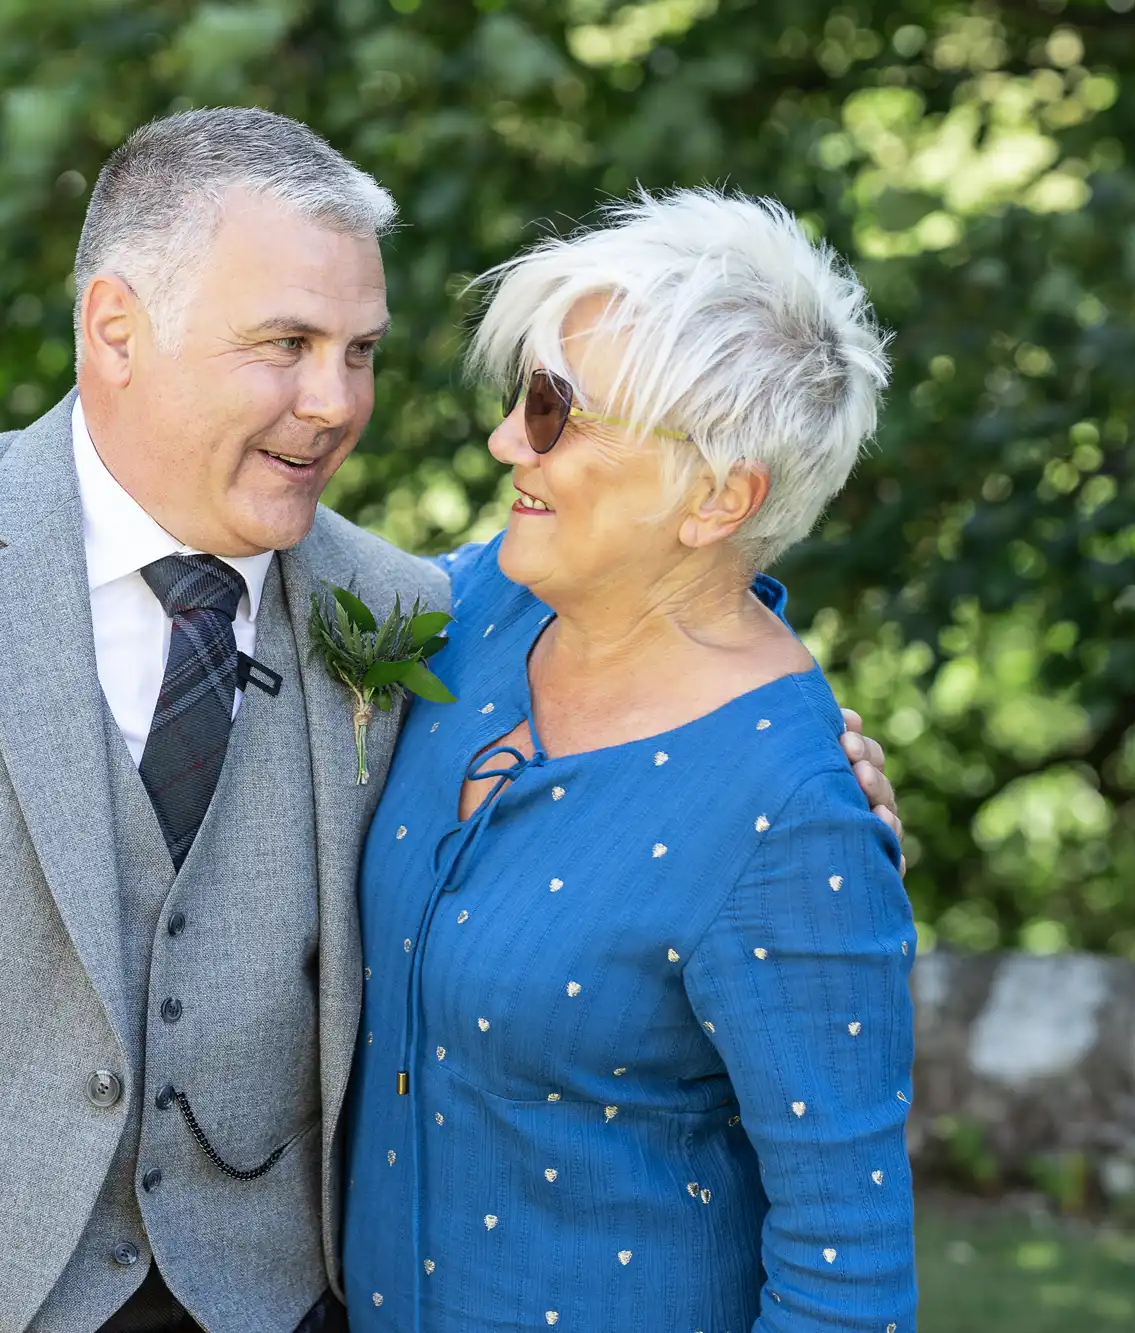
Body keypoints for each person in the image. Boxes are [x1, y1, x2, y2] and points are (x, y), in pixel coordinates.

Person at [0, 109, 899, 1333]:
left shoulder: (402, 610)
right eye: (285, 346)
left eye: (360, 352)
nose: (336, 405)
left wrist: (807, 769)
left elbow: (676, 647)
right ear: (117, 328)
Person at [342, 190, 918, 1331]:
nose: (508, 437)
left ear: (716, 498)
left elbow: (846, 1269)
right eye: (520, 398)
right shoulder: (469, 611)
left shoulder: (794, 812)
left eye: (557, 410)